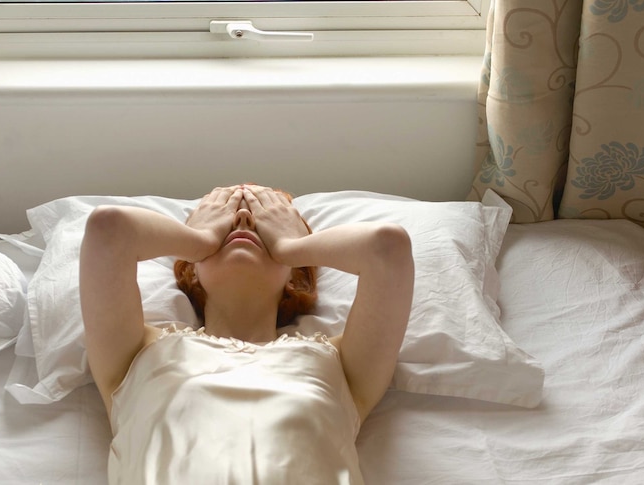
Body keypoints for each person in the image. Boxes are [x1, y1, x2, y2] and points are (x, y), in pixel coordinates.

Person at [79, 184, 414, 484]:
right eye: (224, 216)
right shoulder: (137, 353)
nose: (243, 219)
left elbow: (387, 249)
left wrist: (286, 244)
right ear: (191, 271)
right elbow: (109, 230)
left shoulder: (342, 366)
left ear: (295, 278)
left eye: (264, 218)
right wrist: (202, 239)